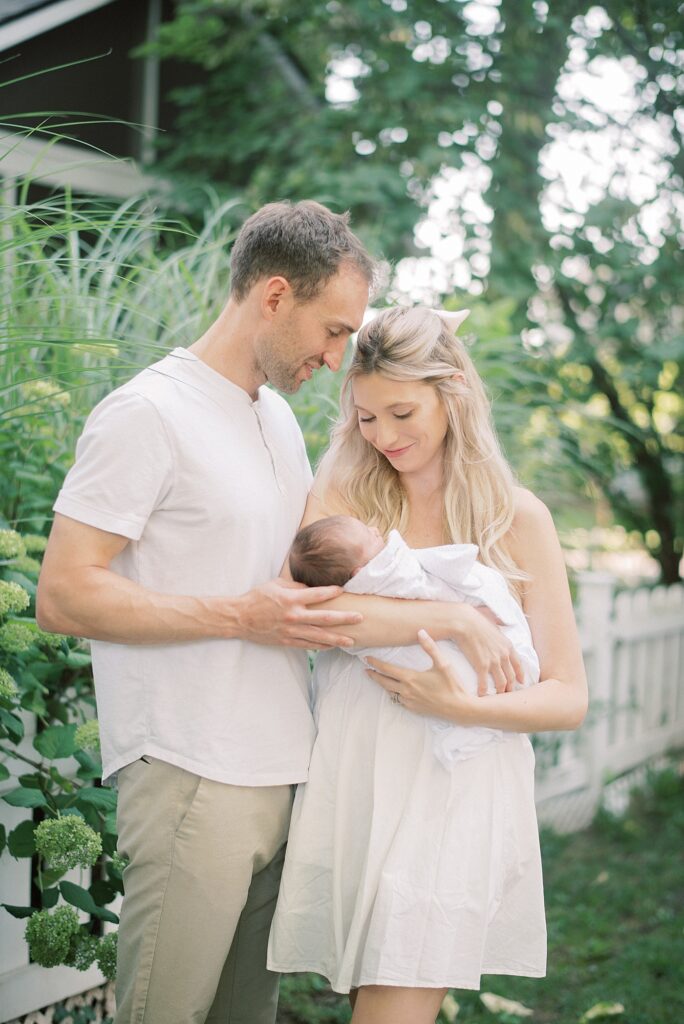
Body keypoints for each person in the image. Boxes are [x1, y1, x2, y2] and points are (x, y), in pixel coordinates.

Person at [267, 305, 588, 1024]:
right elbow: (311, 613)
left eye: (402, 412)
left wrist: (463, 707)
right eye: (367, 418)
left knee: (391, 1005)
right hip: (359, 776)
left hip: (456, 786)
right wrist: (454, 619)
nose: (384, 437)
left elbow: (567, 696)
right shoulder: (347, 498)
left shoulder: (518, 518)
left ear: (454, 393)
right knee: (371, 997)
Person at [287, 513, 540, 765]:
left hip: (462, 728)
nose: (376, 529)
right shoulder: (389, 575)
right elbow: (428, 587)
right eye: (368, 534)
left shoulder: (521, 512)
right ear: (361, 573)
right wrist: (465, 614)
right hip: (386, 737)